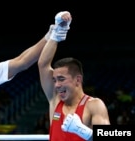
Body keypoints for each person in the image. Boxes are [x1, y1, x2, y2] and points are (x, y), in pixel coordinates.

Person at [38, 11, 110, 141]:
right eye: (54, 80)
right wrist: (57, 33)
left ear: (78, 80)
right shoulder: (55, 100)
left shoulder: (94, 105)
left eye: (61, 79)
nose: (57, 85)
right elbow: (43, 65)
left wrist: (84, 131)